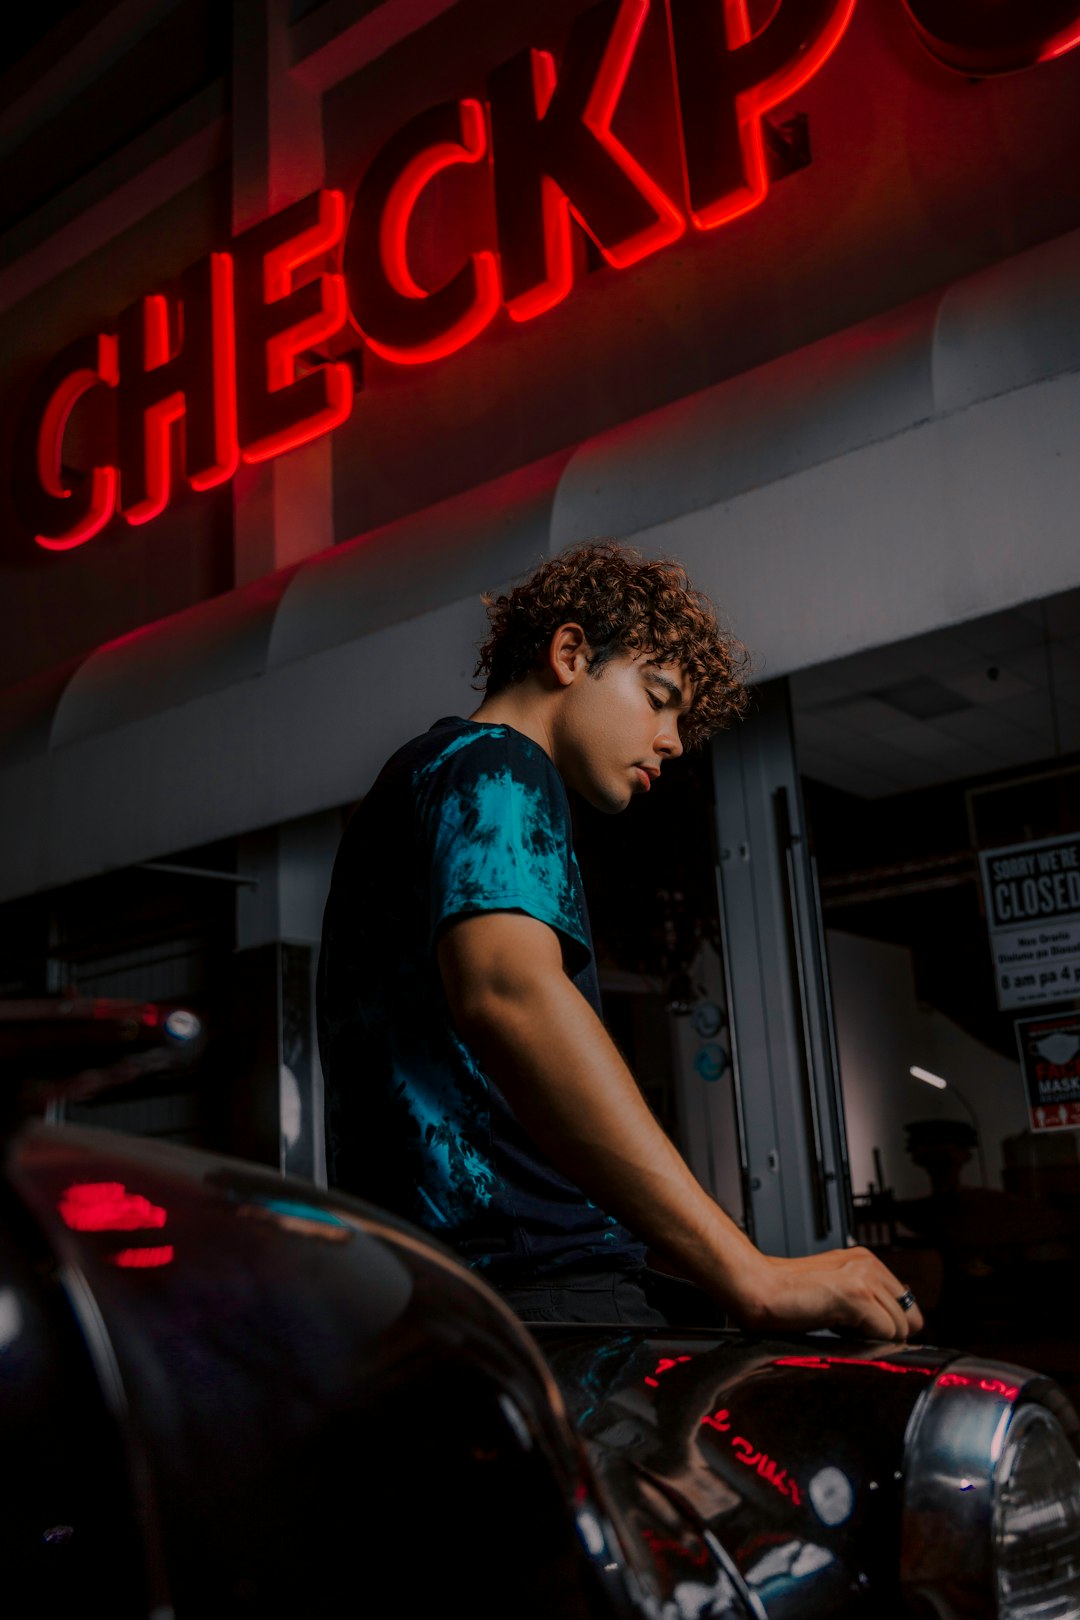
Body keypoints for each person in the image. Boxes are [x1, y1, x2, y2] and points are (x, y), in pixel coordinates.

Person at [316, 541, 923, 1339]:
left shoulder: (415, 784)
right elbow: (510, 995)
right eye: (658, 696)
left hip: (442, 1298)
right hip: (538, 1298)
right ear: (570, 654)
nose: (672, 740)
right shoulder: (499, 765)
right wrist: (752, 1276)